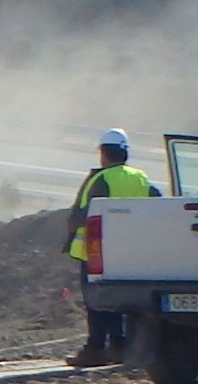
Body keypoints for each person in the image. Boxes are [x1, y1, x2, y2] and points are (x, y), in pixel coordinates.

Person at [66, 127, 158, 368]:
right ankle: (119, 346)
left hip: (97, 250)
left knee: (96, 300)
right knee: (121, 300)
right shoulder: (140, 177)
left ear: (104, 153)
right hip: (130, 251)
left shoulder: (100, 179)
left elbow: (81, 216)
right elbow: (158, 204)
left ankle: (95, 349)